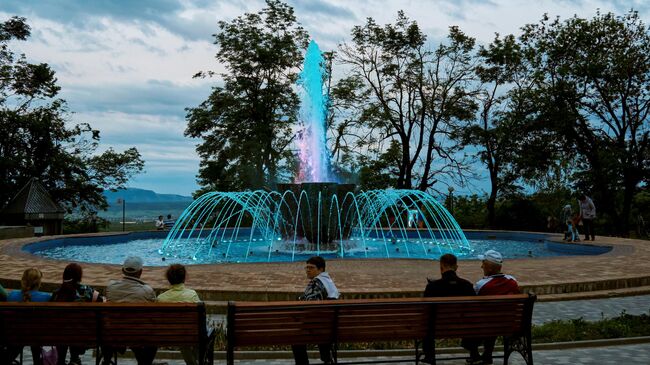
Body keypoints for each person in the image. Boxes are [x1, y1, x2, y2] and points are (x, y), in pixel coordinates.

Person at [463, 250, 520, 365]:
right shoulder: (512, 281)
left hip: (486, 325)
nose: (481, 266)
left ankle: (475, 355)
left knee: (480, 320)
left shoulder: (482, 285)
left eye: (483, 263)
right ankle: (487, 354)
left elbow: (473, 305)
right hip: (507, 324)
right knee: (494, 319)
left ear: (489, 268)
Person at [102, 256, 157, 365]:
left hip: (114, 334)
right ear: (140, 272)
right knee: (151, 339)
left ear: (123, 270)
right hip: (139, 335)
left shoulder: (111, 288)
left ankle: (107, 360)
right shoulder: (147, 291)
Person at [422, 254, 475, 364]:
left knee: (428, 323)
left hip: (436, 328)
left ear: (441, 267)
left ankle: (430, 356)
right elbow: (475, 310)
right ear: (456, 267)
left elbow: (425, 310)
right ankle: (474, 353)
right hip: (465, 327)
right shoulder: (467, 285)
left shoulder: (432, 287)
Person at [51, 263, 104, 365]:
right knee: (76, 327)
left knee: (64, 328)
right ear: (79, 276)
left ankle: (61, 360)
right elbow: (100, 302)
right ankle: (74, 358)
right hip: (83, 336)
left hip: (59, 336)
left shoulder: (57, 293)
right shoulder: (87, 291)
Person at [292, 256, 339, 365]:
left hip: (318, 327)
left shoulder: (316, 284)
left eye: (311, 267)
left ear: (321, 269)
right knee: (321, 328)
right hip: (331, 327)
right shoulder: (328, 282)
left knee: (296, 339)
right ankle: (327, 359)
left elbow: (311, 307)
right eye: (306, 267)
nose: (308, 270)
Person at [5, 268, 52, 365]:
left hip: (15, 336)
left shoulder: (11, 296)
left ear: (23, 281)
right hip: (38, 336)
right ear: (39, 282)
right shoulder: (47, 298)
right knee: (35, 335)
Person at [157, 264, 201, 365]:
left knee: (184, 338)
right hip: (189, 333)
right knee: (190, 335)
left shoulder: (161, 298)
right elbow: (201, 316)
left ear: (168, 278)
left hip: (167, 335)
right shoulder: (192, 295)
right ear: (184, 277)